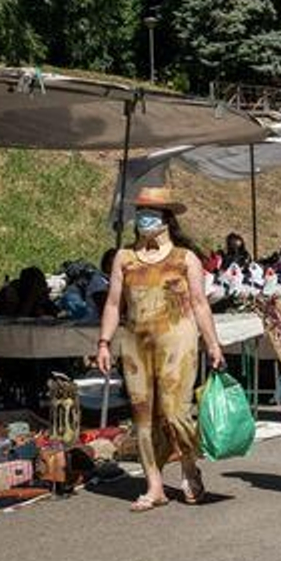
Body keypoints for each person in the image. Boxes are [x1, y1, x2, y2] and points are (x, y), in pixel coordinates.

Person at [96, 188, 225, 513]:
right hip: (135, 343)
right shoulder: (124, 258)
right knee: (143, 416)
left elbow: (200, 303)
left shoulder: (185, 258)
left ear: (167, 218)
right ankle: (154, 486)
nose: (144, 219)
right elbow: (113, 303)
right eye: (140, 213)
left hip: (177, 341)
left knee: (175, 411)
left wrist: (213, 343)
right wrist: (104, 342)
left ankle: (189, 466)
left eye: (151, 213)